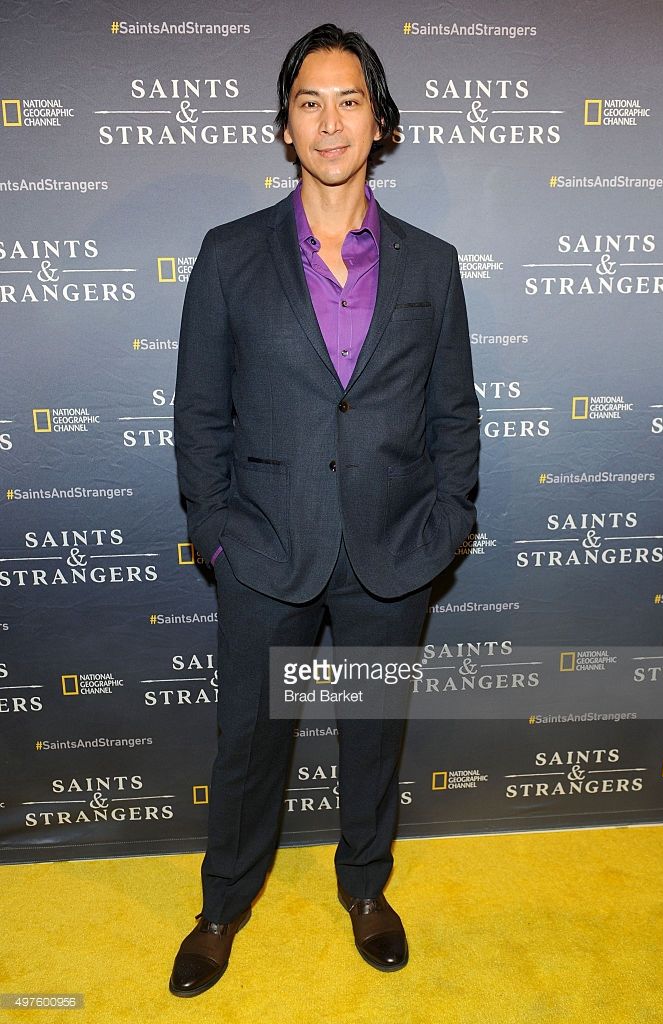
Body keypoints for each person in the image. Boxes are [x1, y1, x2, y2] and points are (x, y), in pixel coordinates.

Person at [170, 22, 480, 997]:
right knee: (248, 741)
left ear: (381, 123)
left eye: (350, 100)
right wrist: (216, 533)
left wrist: (447, 522)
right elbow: (198, 411)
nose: (330, 120)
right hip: (266, 545)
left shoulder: (431, 263)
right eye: (310, 102)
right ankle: (222, 906)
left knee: (373, 734)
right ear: (286, 125)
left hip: (394, 546)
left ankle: (365, 886)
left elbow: (454, 411)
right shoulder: (229, 255)